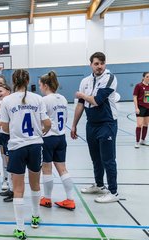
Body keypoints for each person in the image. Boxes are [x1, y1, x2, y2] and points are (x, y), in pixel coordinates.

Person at [0, 69, 51, 239]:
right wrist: (39, 134)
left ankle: (20, 229)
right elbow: (47, 123)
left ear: (13, 81)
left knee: (18, 189)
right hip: (35, 146)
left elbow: (5, 128)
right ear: (28, 80)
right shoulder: (38, 99)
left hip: (16, 147)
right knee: (35, 184)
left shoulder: (6, 100)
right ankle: (35, 217)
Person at [71, 52, 119, 203]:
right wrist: (74, 125)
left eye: (102, 63)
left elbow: (97, 100)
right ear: (91, 64)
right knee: (96, 158)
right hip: (91, 124)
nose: (99, 66)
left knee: (108, 159)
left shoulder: (110, 78)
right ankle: (99, 185)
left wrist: (82, 95)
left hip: (107, 123)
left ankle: (113, 192)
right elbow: (80, 105)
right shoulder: (85, 81)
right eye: (96, 63)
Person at [38, 71, 75, 210]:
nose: (40, 88)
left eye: (41, 85)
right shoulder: (63, 99)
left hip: (48, 138)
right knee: (62, 169)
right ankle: (70, 199)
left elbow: (41, 120)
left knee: (46, 169)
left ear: (46, 85)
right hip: (61, 137)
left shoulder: (44, 100)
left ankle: (47, 198)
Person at [0, 83, 14, 202]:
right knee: (7, 162)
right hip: (4, 134)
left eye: (1, 91)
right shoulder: (4, 102)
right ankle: (11, 188)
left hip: (9, 135)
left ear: (8, 91)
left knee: (11, 163)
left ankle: (13, 191)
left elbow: (8, 121)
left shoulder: (8, 101)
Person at [133, 72, 149, 148]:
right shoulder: (138, 86)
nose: (148, 78)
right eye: (147, 76)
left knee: (146, 124)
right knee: (139, 125)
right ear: (143, 77)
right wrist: (136, 107)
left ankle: (143, 140)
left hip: (148, 107)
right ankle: (137, 141)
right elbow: (135, 97)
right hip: (141, 107)